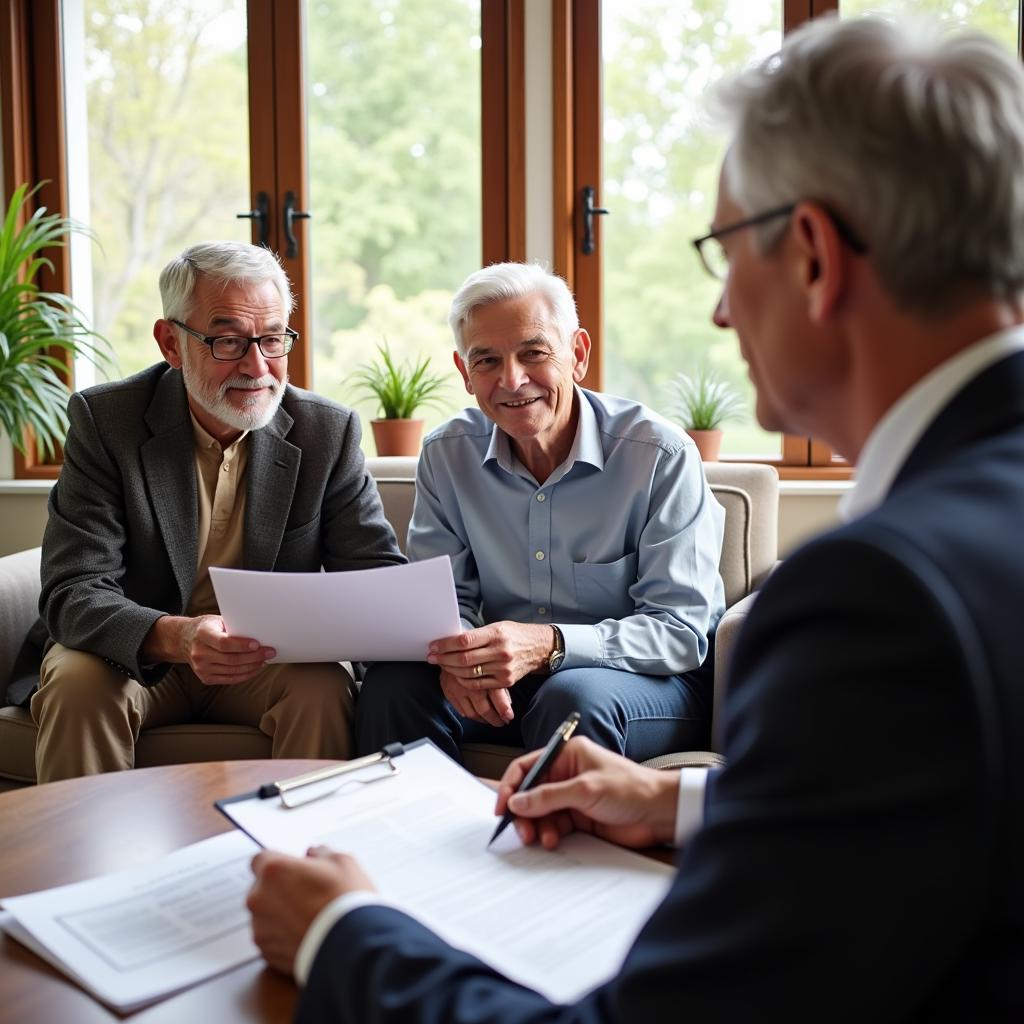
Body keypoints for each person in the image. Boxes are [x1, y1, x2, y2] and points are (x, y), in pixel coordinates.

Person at [247, 15, 1024, 1021]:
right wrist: (678, 800)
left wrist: (339, 934)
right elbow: (934, 820)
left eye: (722, 250)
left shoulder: (880, 595)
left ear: (813, 255)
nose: (719, 313)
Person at [29, 241, 405, 783]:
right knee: (76, 684)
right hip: (141, 655)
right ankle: (87, 868)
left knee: (321, 685)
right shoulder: (108, 421)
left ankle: (305, 862)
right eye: (227, 341)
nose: (257, 366)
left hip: (266, 660)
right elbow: (72, 589)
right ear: (171, 343)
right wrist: (178, 636)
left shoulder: (328, 430)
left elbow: (374, 577)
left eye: (272, 338)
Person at [355, 261, 726, 763]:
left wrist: (550, 644)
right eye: (486, 361)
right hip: (505, 681)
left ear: (577, 354)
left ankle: (556, 844)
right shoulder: (447, 454)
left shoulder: (659, 455)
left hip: (642, 685)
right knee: (393, 686)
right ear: (464, 373)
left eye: (533, 353)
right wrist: (460, 661)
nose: (512, 380)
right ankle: (414, 838)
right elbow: (445, 603)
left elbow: (679, 632)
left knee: (571, 697)